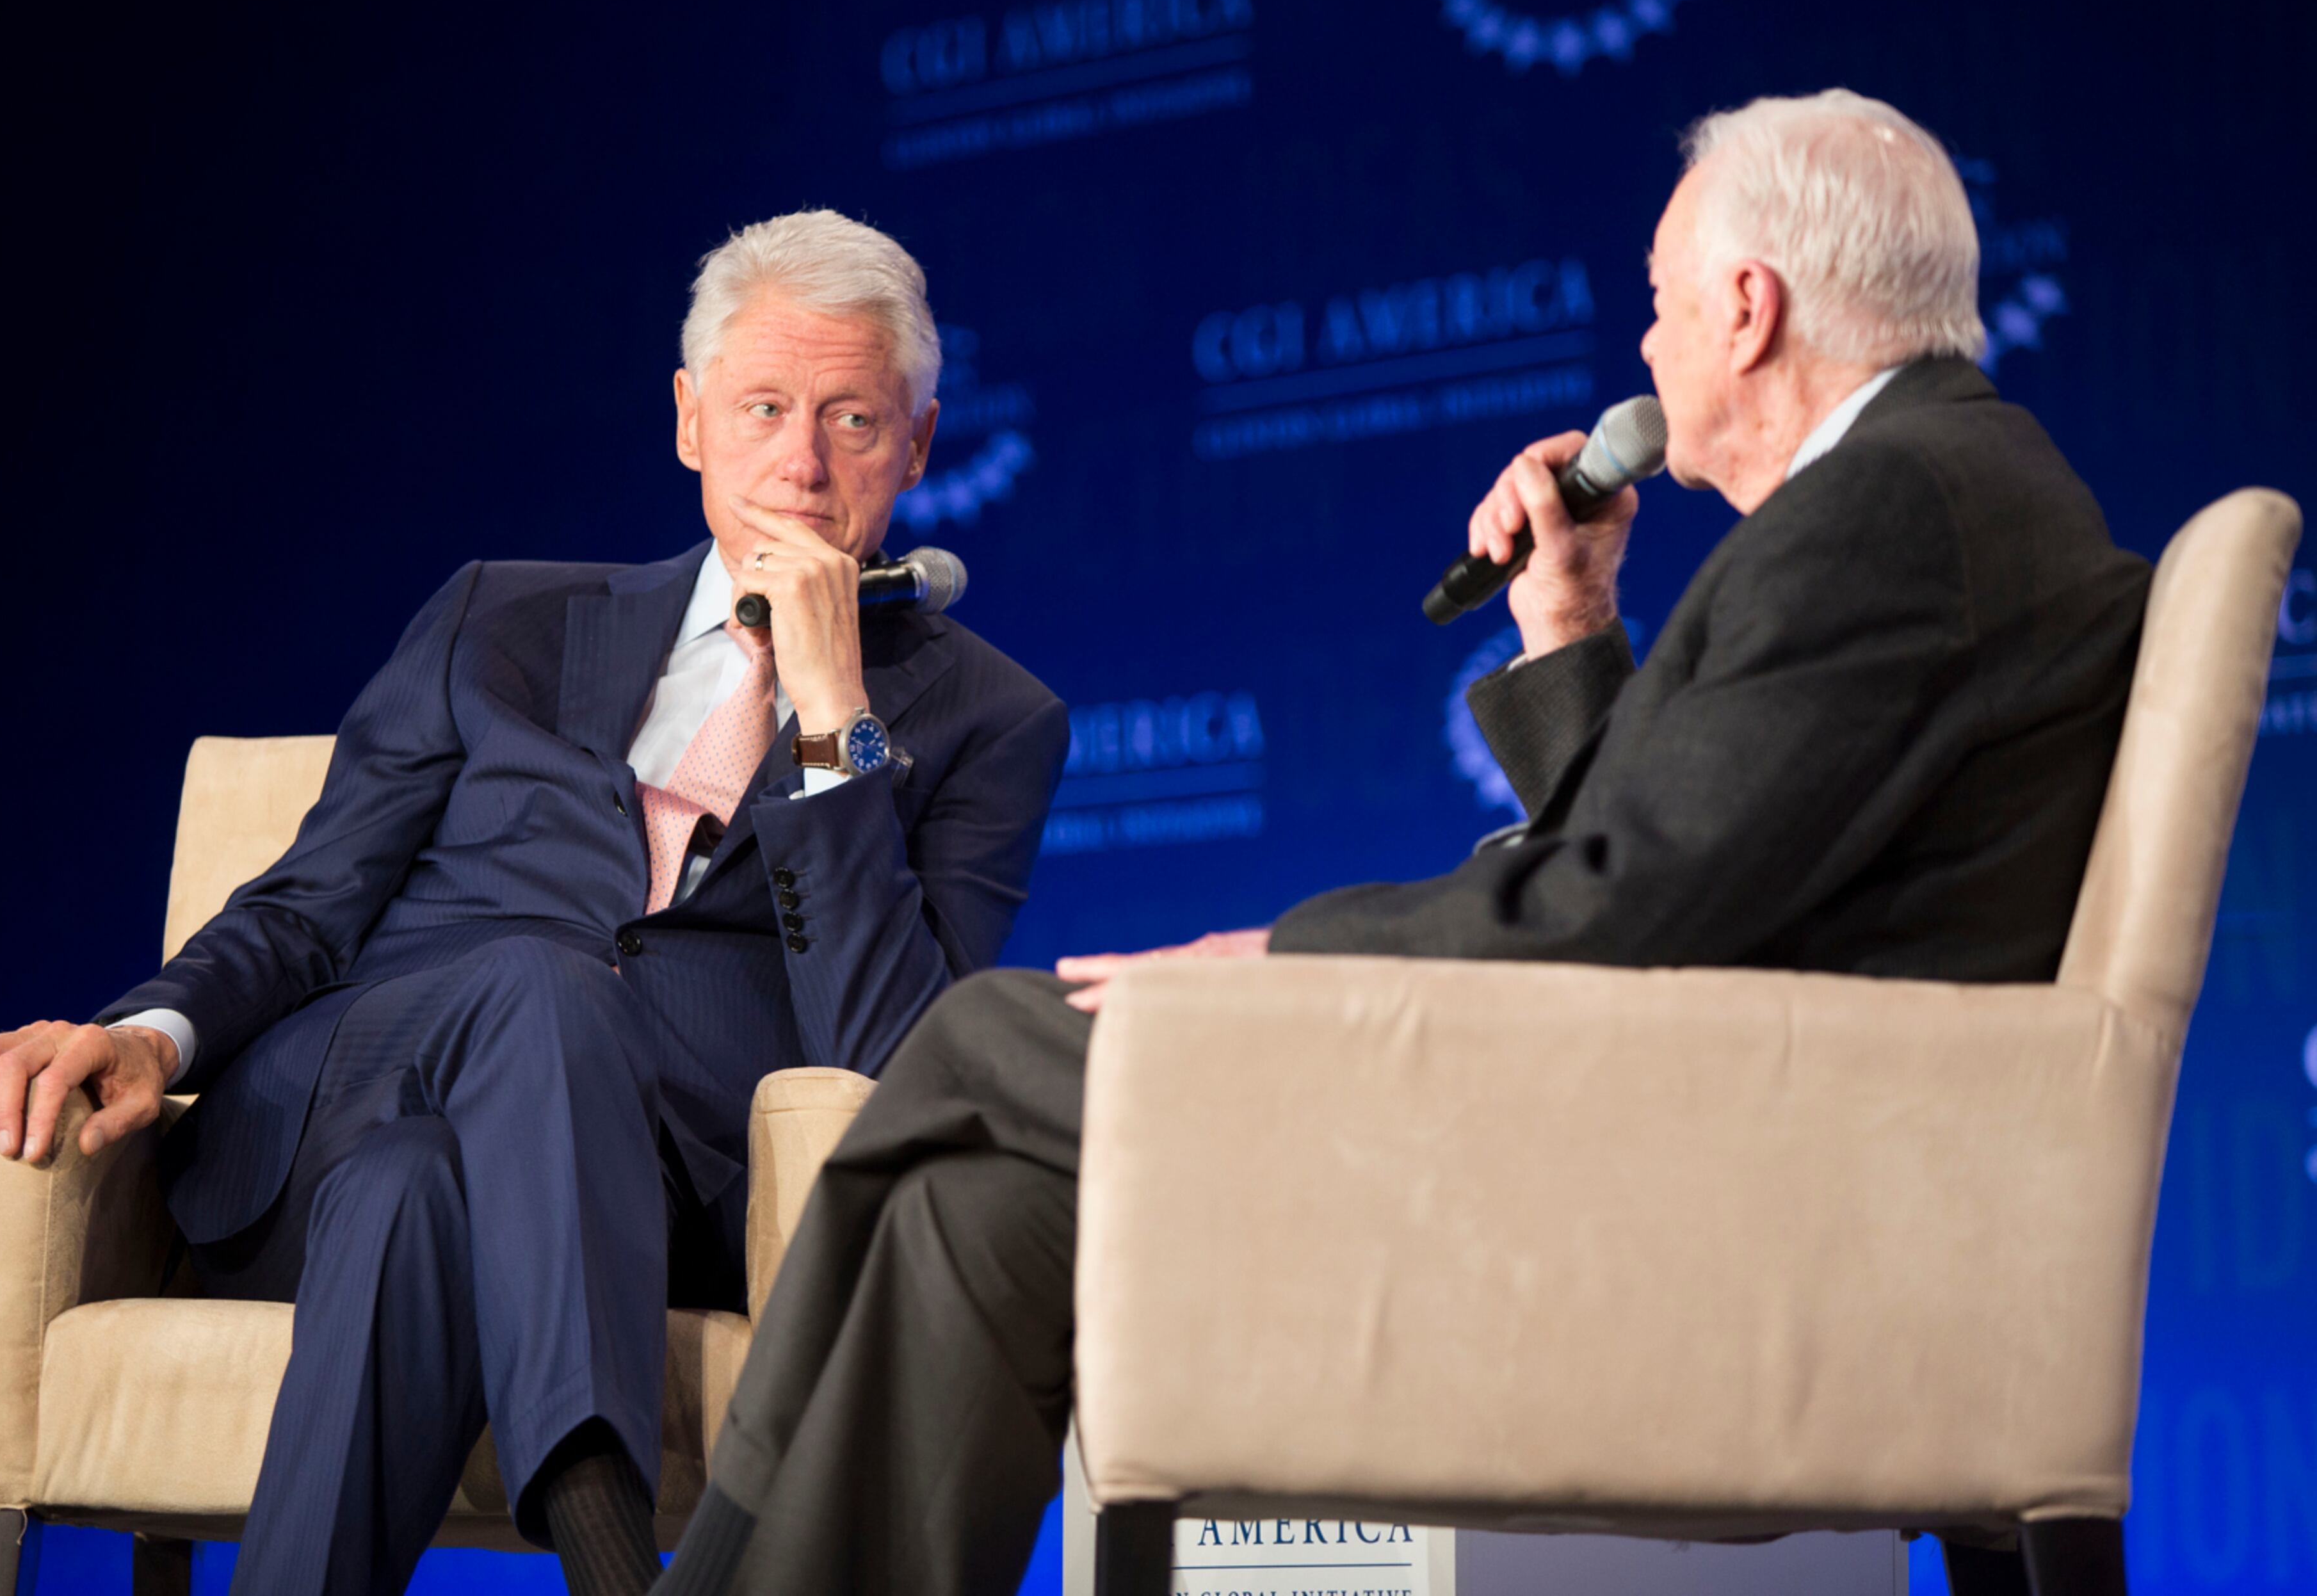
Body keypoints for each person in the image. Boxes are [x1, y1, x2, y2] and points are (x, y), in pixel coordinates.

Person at [654, 90, 2156, 1596]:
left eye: (1659, 303)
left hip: (1724, 1203)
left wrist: (1276, 966)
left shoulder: (1880, 512)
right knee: (977, 1215)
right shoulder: (1952, 486)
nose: (1647, 348)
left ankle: (707, 1568)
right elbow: (1696, 868)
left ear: (1747, 311)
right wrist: (1566, 622)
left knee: (976, 1039)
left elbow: (1624, 913)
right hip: (1731, 1127)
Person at [0, 209, 1070, 1596]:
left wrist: (836, 717)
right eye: (767, 406)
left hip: (640, 1190)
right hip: (348, 1096)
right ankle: (607, 1550)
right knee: (537, 983)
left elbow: (893, 1055)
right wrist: (153, 1033)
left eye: (852, 419)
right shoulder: (504, 619)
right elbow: (306, 906)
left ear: (918, 447)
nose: (804, 460)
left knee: (419, 1203)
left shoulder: (986, 721)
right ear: (689, 420)